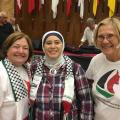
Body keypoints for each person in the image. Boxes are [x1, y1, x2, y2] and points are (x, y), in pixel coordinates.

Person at [30, 31, 93, 120]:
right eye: (48, 43)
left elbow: (86, 100)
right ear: (43, 47)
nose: (53, 46)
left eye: (57, 42)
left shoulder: (75, 68)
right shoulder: (34, 67)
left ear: (62, 45)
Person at [85, 17, 120, 120]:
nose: (105, 41)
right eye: (100, 37)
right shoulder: (96, 60)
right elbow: (88, 87)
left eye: (110, 36)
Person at [0, 32, 33, 120]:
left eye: (25, 48)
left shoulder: (27, 69)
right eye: (16, 47)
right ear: (7, 49)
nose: (21, 51)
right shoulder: (1, 72)